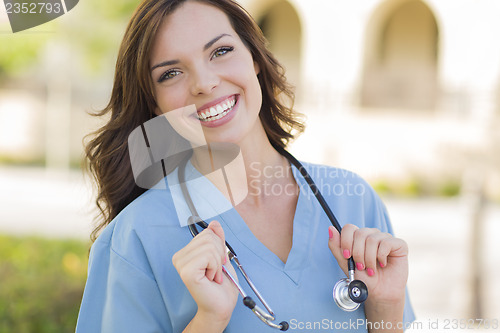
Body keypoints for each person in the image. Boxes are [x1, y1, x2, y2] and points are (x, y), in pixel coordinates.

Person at [76, 0, 416, 332]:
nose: (204, 83)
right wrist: (208, 322)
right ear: (154, 103)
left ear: (254, 56)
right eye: (171, 73)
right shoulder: (133, 239)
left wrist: (386, 310)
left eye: (220, 52)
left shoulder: (353, 200)